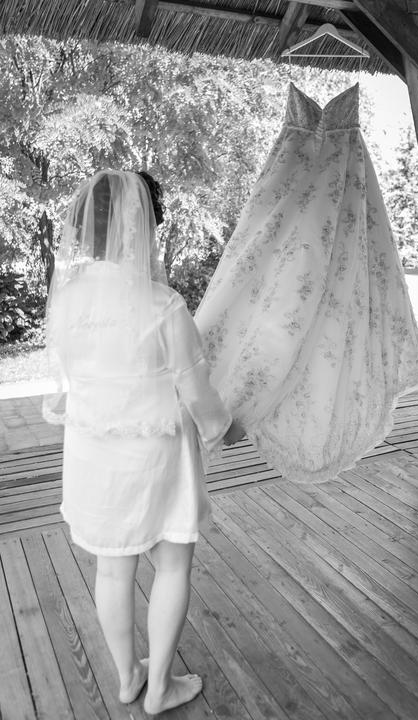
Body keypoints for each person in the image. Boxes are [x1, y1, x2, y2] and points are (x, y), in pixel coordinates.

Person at [43, 169, 244, 714]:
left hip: (93, 456)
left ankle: (128, 677)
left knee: (112, 567)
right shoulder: (162, 305)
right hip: (156, 457)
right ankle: (160, 688)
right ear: (141, 227)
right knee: (172, 563)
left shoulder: (67, 301)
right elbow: (196, 390)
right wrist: (224, 428)